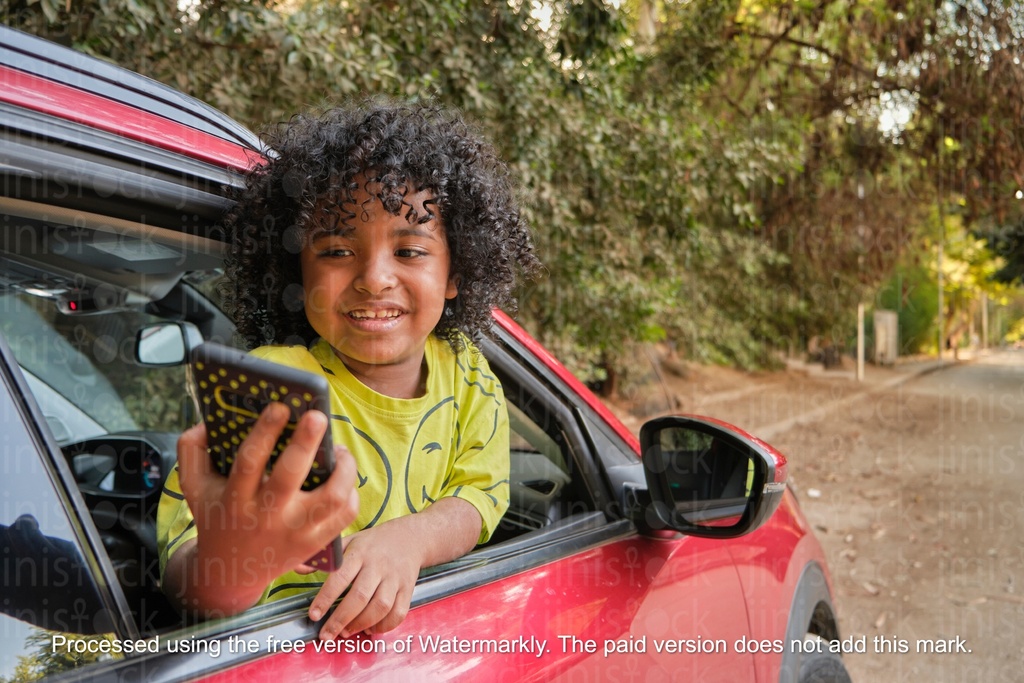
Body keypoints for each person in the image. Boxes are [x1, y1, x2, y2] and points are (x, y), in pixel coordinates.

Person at [157, 100, 541, 640]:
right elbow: (186, 579)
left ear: (457, 272)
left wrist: (410, 541)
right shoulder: (268, 389)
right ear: (297, 270)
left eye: (409, 251)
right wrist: (233, 566)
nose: (374, 278)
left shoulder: (469, 372)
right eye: (337, 250)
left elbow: (480, 495)